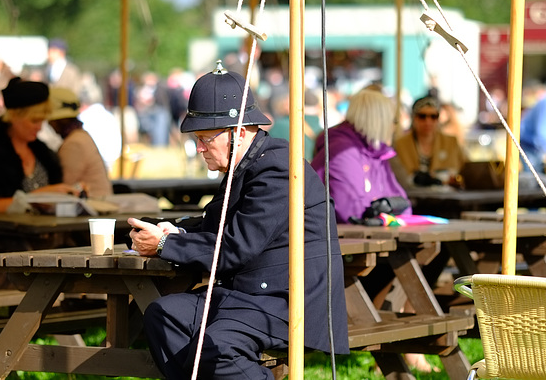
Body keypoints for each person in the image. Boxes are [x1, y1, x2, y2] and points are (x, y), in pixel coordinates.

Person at [127, 62, 349, 379]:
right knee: (164, 315)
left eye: (205, 138)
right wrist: (172, 230)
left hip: (289, 301)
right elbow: (214, 222)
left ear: (238, 132)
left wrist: (165, 244)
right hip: (249, 294)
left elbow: (235, 247)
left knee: (217, 346)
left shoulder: (277, 167)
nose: (199, 147)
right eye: (197, 139)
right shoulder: (247, 163)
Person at [0, 77, 79, 212]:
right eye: (34, 121)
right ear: (14, 116)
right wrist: (38, 196)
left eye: (42, 121)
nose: (39, 127)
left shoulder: (43, 153)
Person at [310, 86, 411, 224]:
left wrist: (382, 208)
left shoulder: (376, 151)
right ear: (378, 120)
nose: (394, 127)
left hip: (364, 236)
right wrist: (383, 208)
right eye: (393, 120)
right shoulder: (343, 150)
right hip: (341, 239)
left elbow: (404, 204)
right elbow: (351, 211)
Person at [47, 87, 112, 198]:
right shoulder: (80, 136)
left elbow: (63, 187)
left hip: (93, 207)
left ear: (58, 120)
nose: (49, 124)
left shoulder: (74, 143)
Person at [393, 95, 467, 188]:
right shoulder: (400, 144)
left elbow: (466, 169)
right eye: (422, 116)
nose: (428, 121)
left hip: (447, 197)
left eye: (433, 116)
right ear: (414, 118)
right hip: (411, 196)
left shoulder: (451, 142)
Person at [520, 91, 546, 173]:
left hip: (536, 146)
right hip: (528, 146)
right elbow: (540, 133)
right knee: (533, 179)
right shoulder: (544, 105)